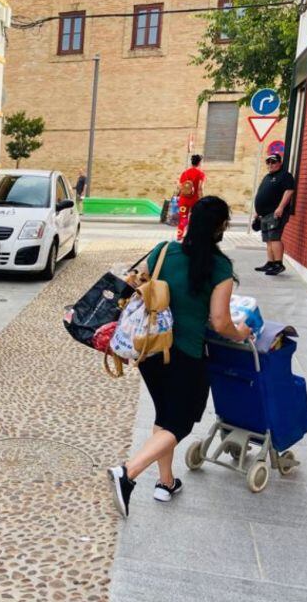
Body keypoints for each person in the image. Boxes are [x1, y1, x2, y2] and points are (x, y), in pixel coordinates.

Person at [107, 196, 252, 518]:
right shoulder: (220, 267)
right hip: (185, 353)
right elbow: (221, 322)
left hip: (150, 349)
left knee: (165, 416)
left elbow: (137, 283)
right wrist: (242, 332)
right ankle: (127, 473)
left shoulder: (162, 251)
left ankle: (166, 482)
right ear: (220, 228)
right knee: (181, 421)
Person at [252, 152, 296, 275]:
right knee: (268, 239)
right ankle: (270, 263)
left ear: (279, 163)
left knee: (275, 238)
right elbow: (262, 194)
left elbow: (289, 191)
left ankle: (278, 264)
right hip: (264, 215)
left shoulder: (285, 176)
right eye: (268, 162)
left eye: (273, 162)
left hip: (275, 213)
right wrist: (257, 212)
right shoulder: (267, 177)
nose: (271, 164)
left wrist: (281, 207)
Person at [176, 154, 205, 241]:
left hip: (183, 199)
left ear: (191, 162)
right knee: (194, 218)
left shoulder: (184, 173)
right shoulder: (201, 174)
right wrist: (201, 199)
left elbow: (180, 186)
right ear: (199, 163)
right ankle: (190, 236)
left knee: (183, 218)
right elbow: (200, 188)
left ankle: (179, 236)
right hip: (194, 200)